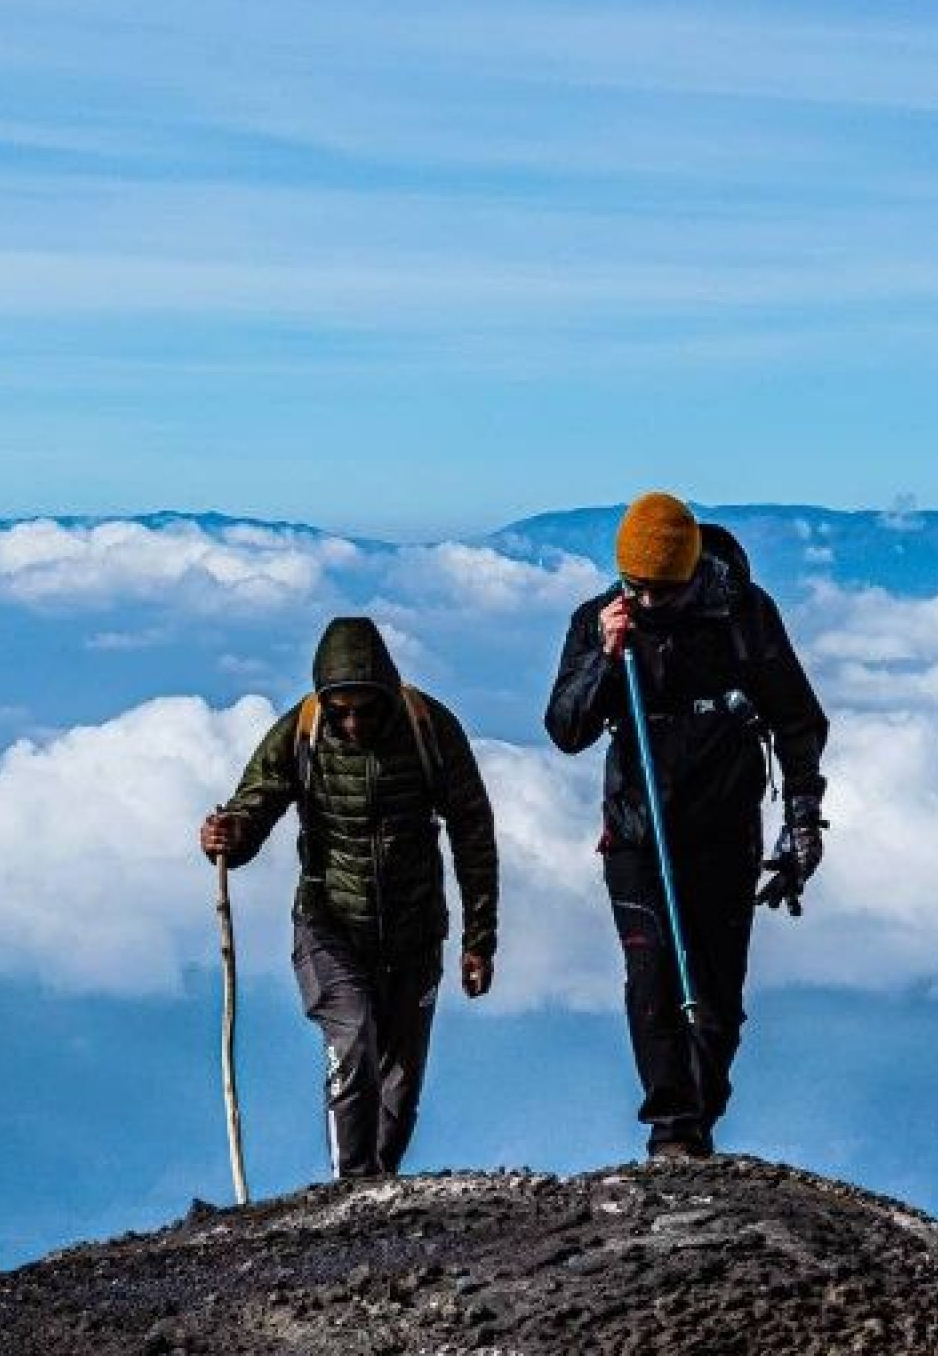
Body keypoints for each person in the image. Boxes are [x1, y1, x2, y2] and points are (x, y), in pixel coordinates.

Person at [545, 491, 829, 1161]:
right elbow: (566, 729)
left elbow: (797, 718)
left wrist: (803, 817)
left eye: (659, 591)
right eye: (634, 586)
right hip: (637, 830)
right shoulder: (600, 620)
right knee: (652, 981)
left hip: (723, 829)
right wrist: (605, 657)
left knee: (716, 992)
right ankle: (672, 1129)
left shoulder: (742, 615)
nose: (645, 601)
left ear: (690, 574)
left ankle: (699, 1118)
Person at [200, 615, 498, 1180]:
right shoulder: (302, 731)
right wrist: (229, 835)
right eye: (341, 712)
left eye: (365, 709)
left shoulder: (429, 728)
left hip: (414, 929)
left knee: (401, 1080)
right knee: (354, 1040)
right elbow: (253, 807)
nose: (353, 723)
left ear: (387, 694)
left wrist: (479, 940)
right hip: (328, 924)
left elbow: (473, 833)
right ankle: (353, 1184)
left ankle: (380, 1184)